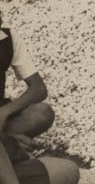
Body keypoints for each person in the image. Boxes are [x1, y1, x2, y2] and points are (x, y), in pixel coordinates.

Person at [1, 16, 79, 184]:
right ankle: (8, 146)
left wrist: (5, 112)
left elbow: (39, 88)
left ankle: (7, 145)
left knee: (69, 170)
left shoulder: (7, 37)